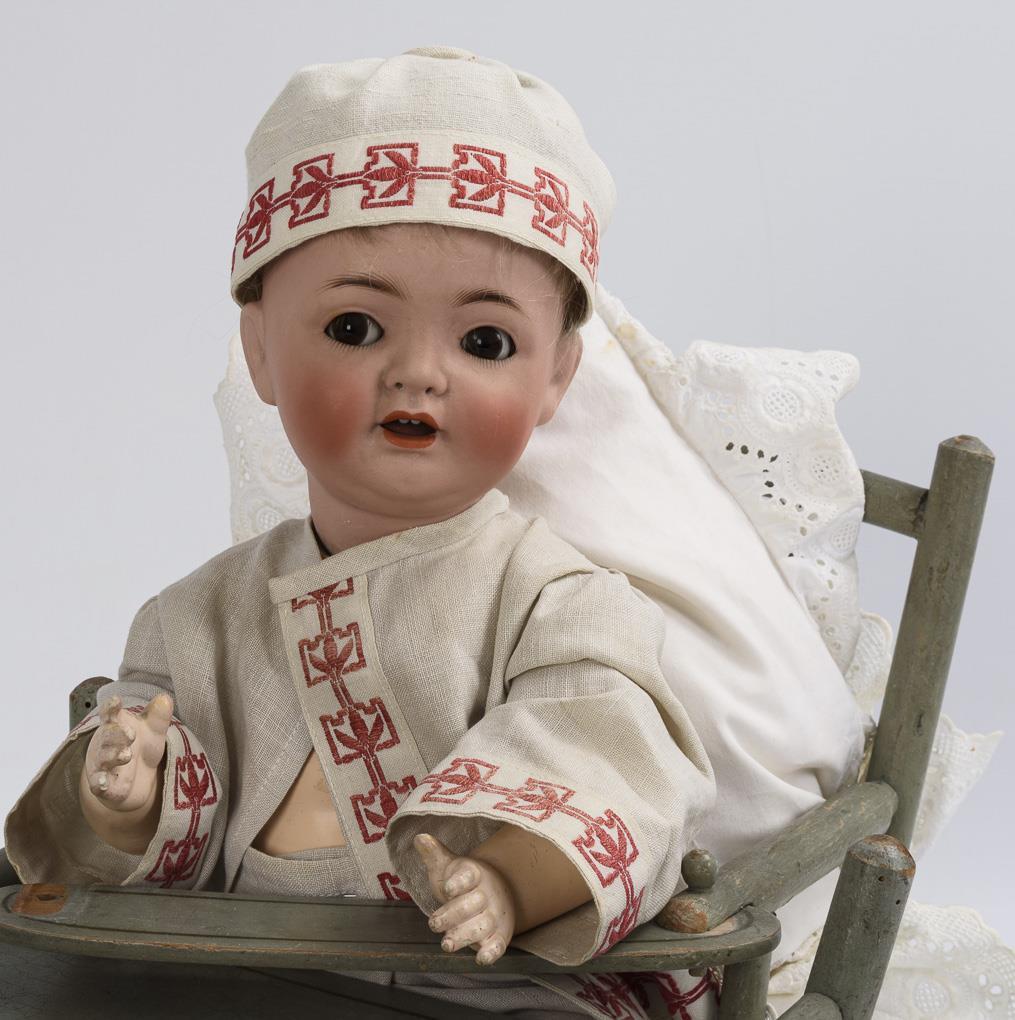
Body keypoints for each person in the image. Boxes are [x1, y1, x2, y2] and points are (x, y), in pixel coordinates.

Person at [4, 48, 726, 1018]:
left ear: (555, 376)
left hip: (476, 985)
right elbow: (157, 817)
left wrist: (509, 878)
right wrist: (128, 794)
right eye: (354, 327)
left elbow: (605, 758)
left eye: (484, 342)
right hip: (227, 973)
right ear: (261, 350)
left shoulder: (556, 601)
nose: (418, 372)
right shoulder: (194, 616)